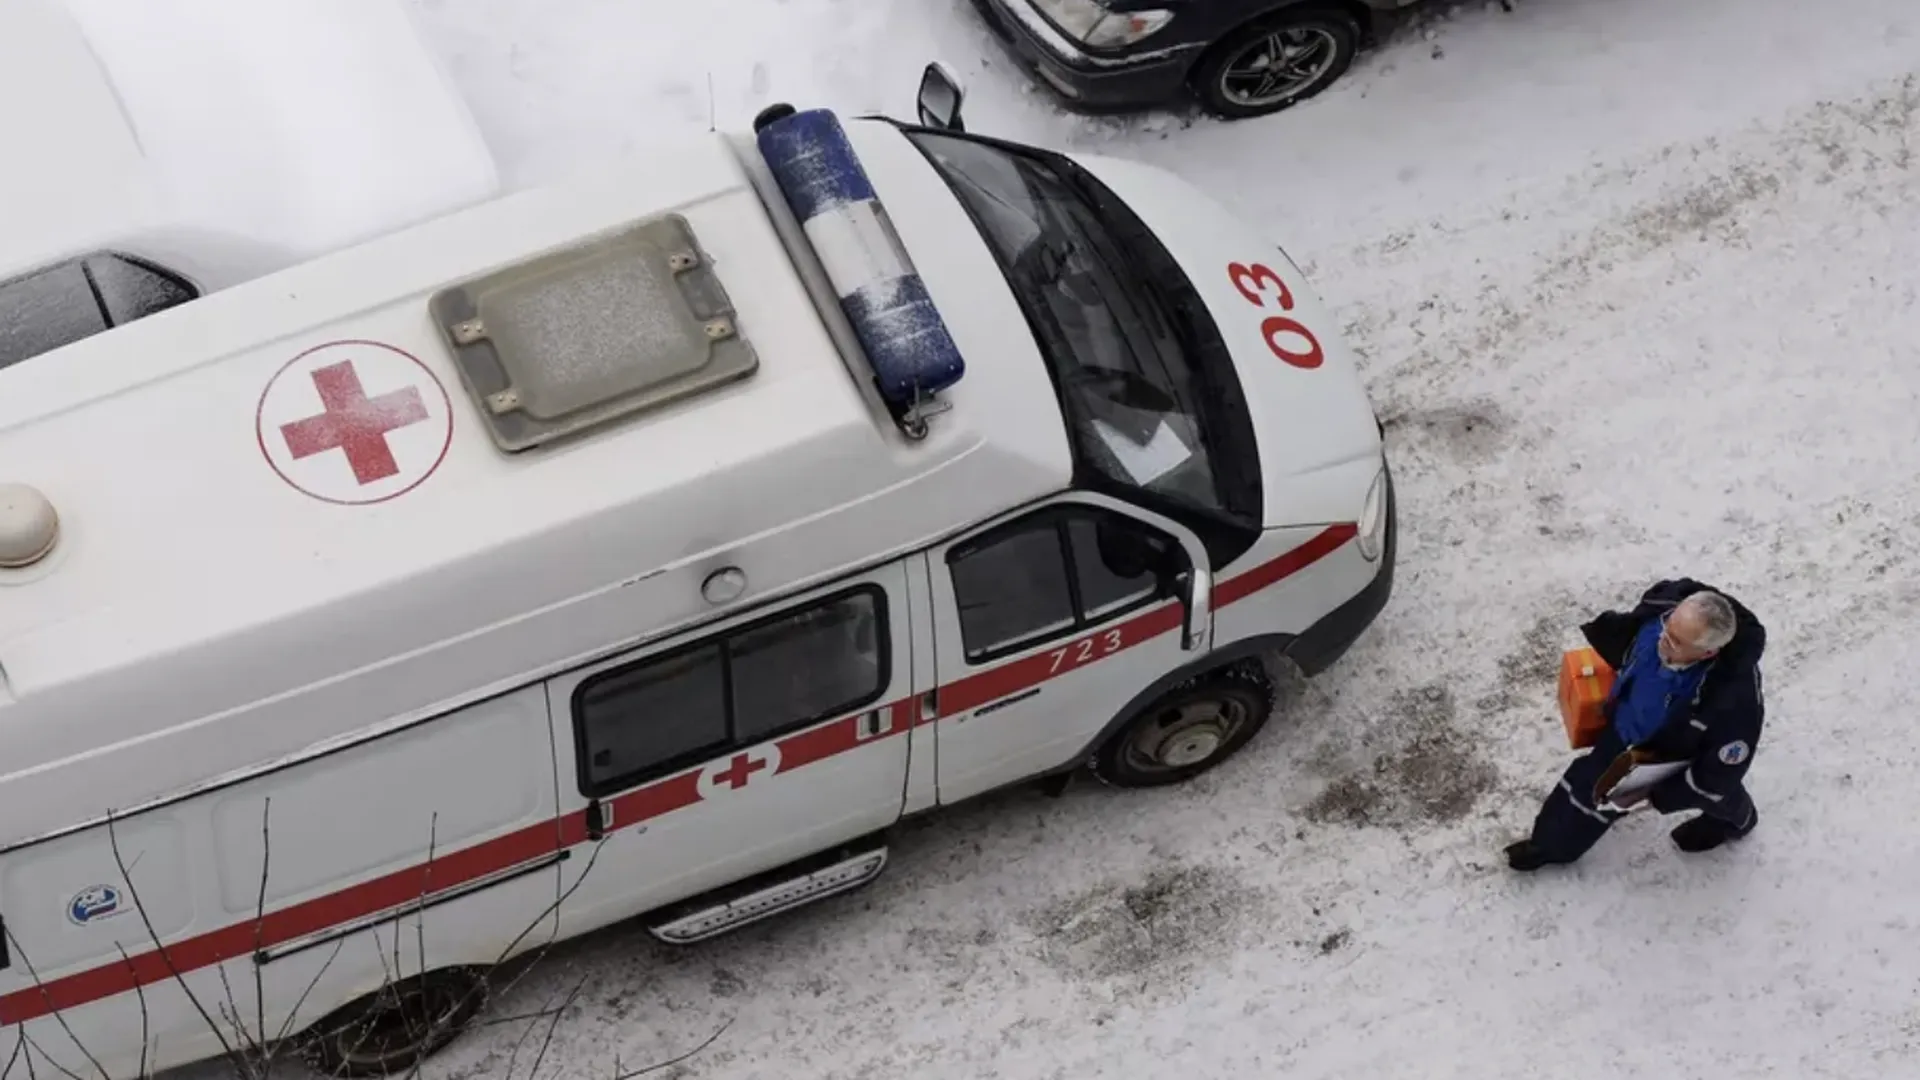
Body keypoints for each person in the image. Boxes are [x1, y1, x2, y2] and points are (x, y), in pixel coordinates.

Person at [1505, 578, 1767, 871]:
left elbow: (1720, 772)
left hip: (1664, 753)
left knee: (1717, 792)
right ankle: (1550, 846)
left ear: (1708, 653)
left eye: (1675, 642)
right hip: (1623, 730)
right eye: (1668, 626)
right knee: (1586, 788)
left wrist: (1662, 796)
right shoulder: (1660, 613)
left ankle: (1738, 821)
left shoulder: (1732, 699)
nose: (1661, 640)